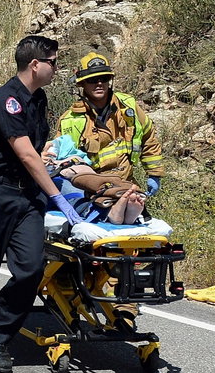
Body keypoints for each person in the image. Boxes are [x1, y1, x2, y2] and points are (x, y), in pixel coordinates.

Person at [0, 36, 82, 373]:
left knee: (30, 268)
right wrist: (57, 196)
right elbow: (25, 154)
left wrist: (51, 160)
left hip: (26, 196)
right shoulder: (6, 100)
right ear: (35, 65)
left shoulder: (37, 99)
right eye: (53, 62)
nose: (57, 68)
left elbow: (34, 152)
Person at [48, 51, 164, 331]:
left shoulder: (129, 108)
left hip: (127, 187)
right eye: (91, 81)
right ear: (82, 86)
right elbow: (67, 160)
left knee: (130, 257)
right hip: (91, 192)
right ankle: (74, 293)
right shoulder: (71, 120)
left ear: (110, 80)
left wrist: (155, 174)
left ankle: (125, 311)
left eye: (103, 79)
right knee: (85, 255)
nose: (98, 84)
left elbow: (149, 139)